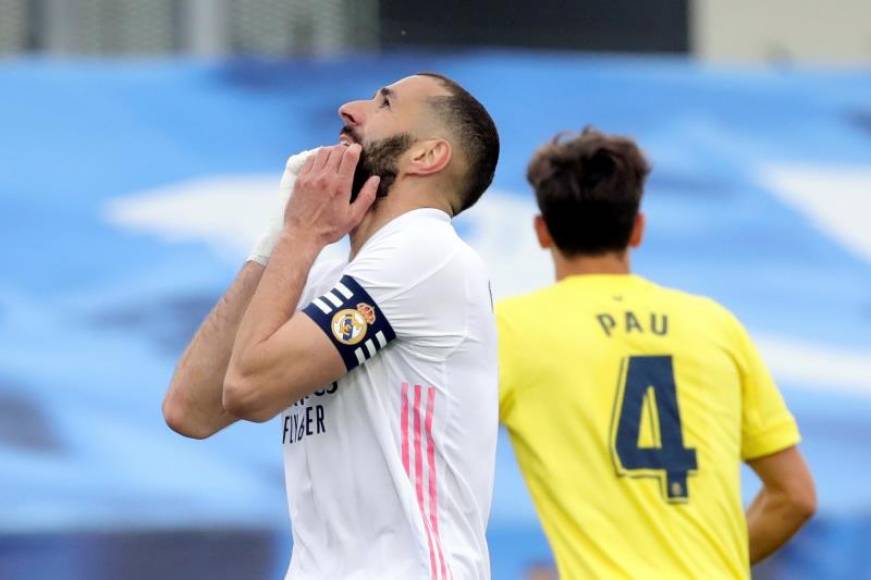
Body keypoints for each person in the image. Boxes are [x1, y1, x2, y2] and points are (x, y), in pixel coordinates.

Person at [162, 73, 501, 580]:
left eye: (383, 104)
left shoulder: (425, 254)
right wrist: (277, 239)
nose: (348, 108)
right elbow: (191, 410)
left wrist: (301, 235)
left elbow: (249, 389)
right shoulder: (329, 274)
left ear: (427, 156)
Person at [497, 127, 816, 579]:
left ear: (541, 231)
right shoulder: (713, 324)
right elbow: (795, 497)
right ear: (638, 229)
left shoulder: (509, 330)